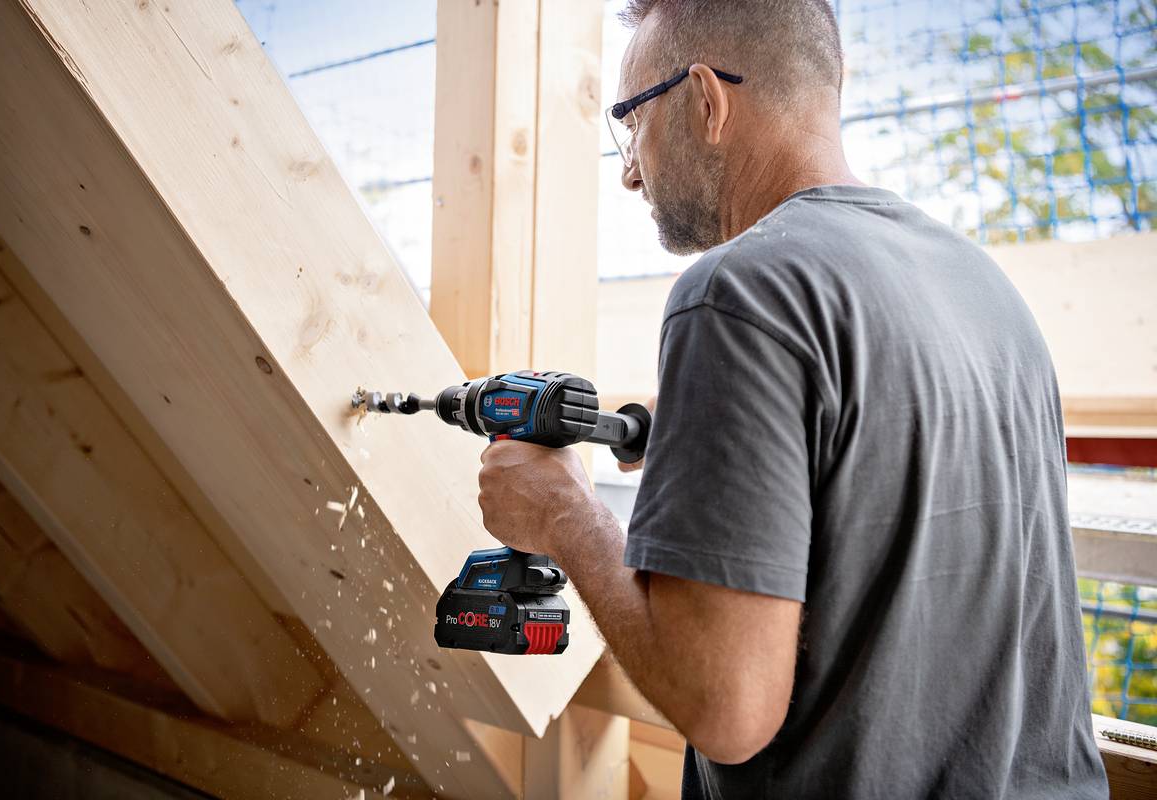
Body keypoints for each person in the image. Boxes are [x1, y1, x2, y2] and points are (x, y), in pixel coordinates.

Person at [475, 1, 1108, 797]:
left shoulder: (738, 293)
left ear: (705, 99)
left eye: (630, 120)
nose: (630, 167)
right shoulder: (984, 288)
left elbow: (726, 708)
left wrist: (563, 512)